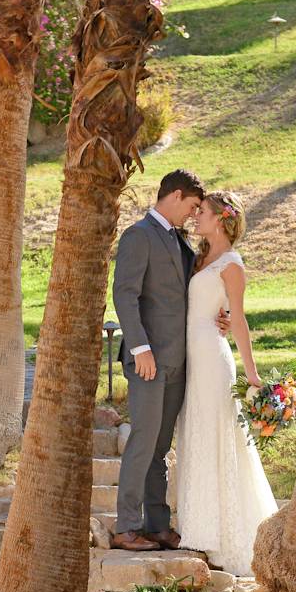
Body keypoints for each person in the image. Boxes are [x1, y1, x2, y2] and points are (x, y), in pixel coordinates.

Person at [171, 190, 278, 575]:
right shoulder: (199, 257)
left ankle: (226, 538)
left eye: (203, 212)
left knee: (217, 437)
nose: (196, 217)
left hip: (214, 361)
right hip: (190, 356)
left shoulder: (232, 264)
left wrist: (252, 376)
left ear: (221, 219)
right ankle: (198, 529)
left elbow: (239, 321)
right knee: (195, 433)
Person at [111, 169, 216, 554]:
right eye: (190, 206)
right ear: (174, 196)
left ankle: (156, 525)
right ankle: (125, 526)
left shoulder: (179, 240)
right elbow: (125, 294)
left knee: (160, 446)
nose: (192, 214)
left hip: (179, 360)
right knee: (143, 441)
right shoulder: (139, 236)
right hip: (148, 360)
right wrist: (141, 349)